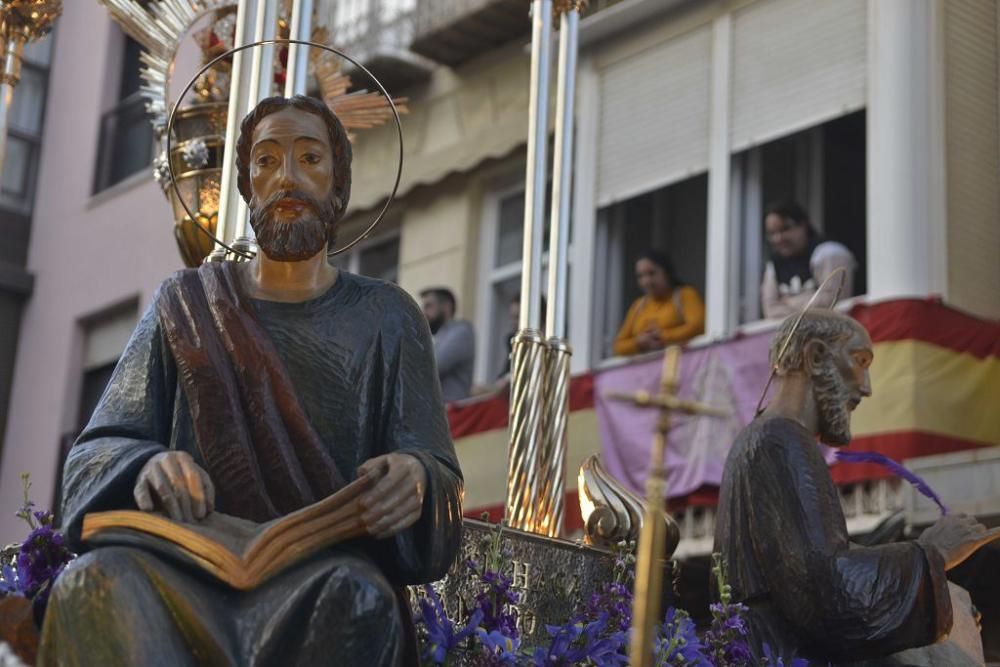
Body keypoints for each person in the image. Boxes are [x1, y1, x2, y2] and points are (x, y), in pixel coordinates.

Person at [39, 95, 464, 666]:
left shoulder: (389, 317)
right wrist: (143, 464)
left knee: (362, 600)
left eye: (309, 158)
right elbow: (93, 454)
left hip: (321, 580)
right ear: (247, 187)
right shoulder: (185, 305)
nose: (286, 177)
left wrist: (414, 478)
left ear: (339, 183)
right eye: (266, 161)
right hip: (183, 573)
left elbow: (436, 474)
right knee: (91, 583)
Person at [713, 309, 1000, 665]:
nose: (866, 387)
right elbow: (823, 589)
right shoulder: (780, 440)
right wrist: (933, 553)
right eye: (859, 361)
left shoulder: (765, 439)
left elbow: (808, 567)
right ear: (815, 356)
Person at [761, 201, 856, 319]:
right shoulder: (774, 264)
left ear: (803, 224)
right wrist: (810, 300)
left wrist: (788, 302)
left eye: (784, 229)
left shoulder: (830, 253)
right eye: (772, 233)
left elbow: (832, 301)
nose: (778, 238)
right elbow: (770, 311)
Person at [612, 250, 705, 356]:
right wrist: (638, 342)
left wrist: (663, 336)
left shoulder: (685, 294)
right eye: (640, 276)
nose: (646, 281)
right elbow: (618, 346)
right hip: (645, 370)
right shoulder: (638, 305)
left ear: (667, 272)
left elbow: (698, 326)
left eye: (652, 273)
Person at [420, 287, 475, 403]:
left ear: (446, 306)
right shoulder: (440, 335)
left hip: (452, 413)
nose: (424, 313)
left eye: (429, 306)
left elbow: (433, 366)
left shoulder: (461, 331)